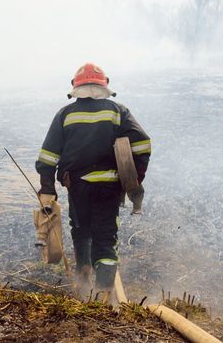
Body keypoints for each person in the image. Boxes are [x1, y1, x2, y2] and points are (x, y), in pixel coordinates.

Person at [34, 62, 151, 298]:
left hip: (78, 187)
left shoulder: (65, 115)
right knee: (106, 238)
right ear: (104, 87)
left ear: (75, 88)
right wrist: (134, 179)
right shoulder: (118, 112)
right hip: (109, 187)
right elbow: (142, 144)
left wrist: (47, 189)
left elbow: (48, 156)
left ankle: (83, 276)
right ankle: (104, 293)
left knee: (81, 229)